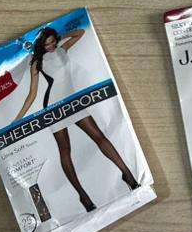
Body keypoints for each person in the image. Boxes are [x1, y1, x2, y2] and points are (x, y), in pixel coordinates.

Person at [13, 25, 139, 213]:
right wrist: (17, 120)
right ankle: (83, 195)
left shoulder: (62, 49)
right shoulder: (37, 63)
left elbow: (80, 32)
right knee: (65, 150)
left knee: (100, 137)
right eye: (47, 44)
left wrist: (60, 37)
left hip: (73, 102)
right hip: (54, 106)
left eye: (53, 42)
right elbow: (32, 95)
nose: (51, 46)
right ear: (41, 45)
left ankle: (127, 174)